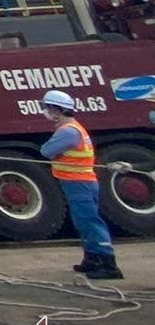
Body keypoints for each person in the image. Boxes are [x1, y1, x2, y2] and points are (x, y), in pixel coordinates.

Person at [40, 88, 123, 280]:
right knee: (83, 222)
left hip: (79, 182)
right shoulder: (73, 128)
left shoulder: (67, 132)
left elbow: (46, 151)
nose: (44, 111)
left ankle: (108, 264)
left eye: (46, 107)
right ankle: (92, 258)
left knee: (90, 222)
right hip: (78, 182)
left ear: (57, 109)